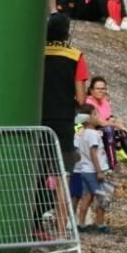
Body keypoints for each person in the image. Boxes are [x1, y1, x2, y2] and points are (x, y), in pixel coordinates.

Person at [41, 13, 89, 235]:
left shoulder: (37, 52)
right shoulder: (75, 56)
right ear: (67, 32)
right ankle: (60, 233)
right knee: (62, 176)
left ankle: (29, 227)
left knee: (33, 173)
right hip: (63, 121)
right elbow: (81, 99)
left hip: (37, 118)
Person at [85, 76, 127, 174]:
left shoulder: (105, 102)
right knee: (109, 129)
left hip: (104, 129)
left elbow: (109, 117)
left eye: (103, 89)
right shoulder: (89, 102)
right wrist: (116, 124)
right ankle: (112, 163)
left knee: (121, 131)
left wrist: (118, 122)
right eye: (98, 89)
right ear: (91, 90)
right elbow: (100, 122)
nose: (101, 91)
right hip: (91, 130)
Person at [73, 105, 113, 234]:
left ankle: (81, 223)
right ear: (88, 118)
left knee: (87, 197)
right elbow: (93, 152)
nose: (98, 117)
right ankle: (100, 224)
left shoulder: (81, 133)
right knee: (102, 197)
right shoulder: (93, 134)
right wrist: (99, 171)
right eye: (95, 114)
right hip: (94, 171)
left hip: (84, 170)